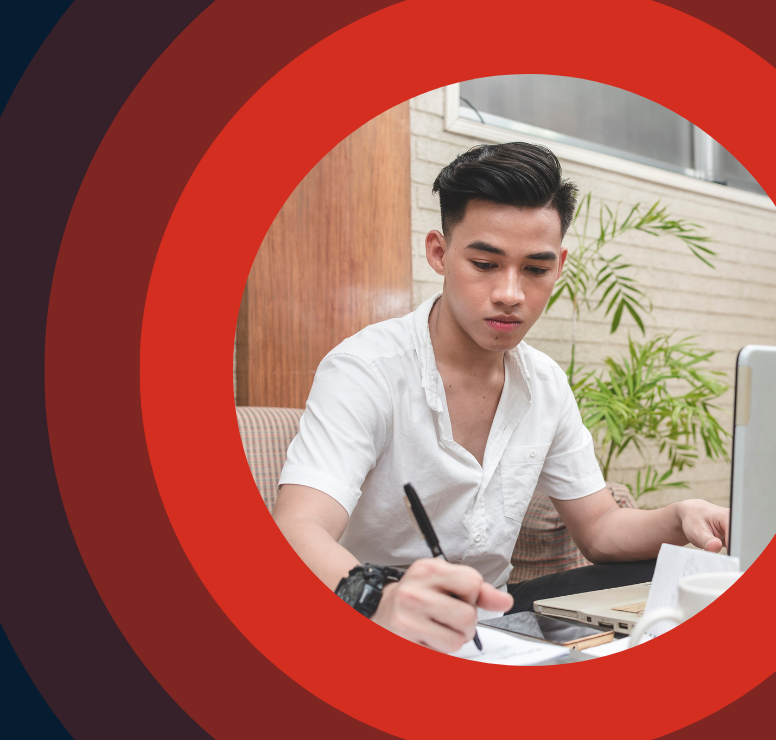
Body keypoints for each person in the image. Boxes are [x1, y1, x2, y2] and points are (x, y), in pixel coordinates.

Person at [272, 142, 729, 653]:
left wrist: (680, 515)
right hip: (377, 617)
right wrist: (380, 598)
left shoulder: (545, 383)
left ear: (559, 266)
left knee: (663, 577)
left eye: (535, 269)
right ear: (439, 253)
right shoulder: (366, 369)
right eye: (485, 263)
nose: (510, 293)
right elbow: (298, 525)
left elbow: (599, 528)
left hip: (495, 621)